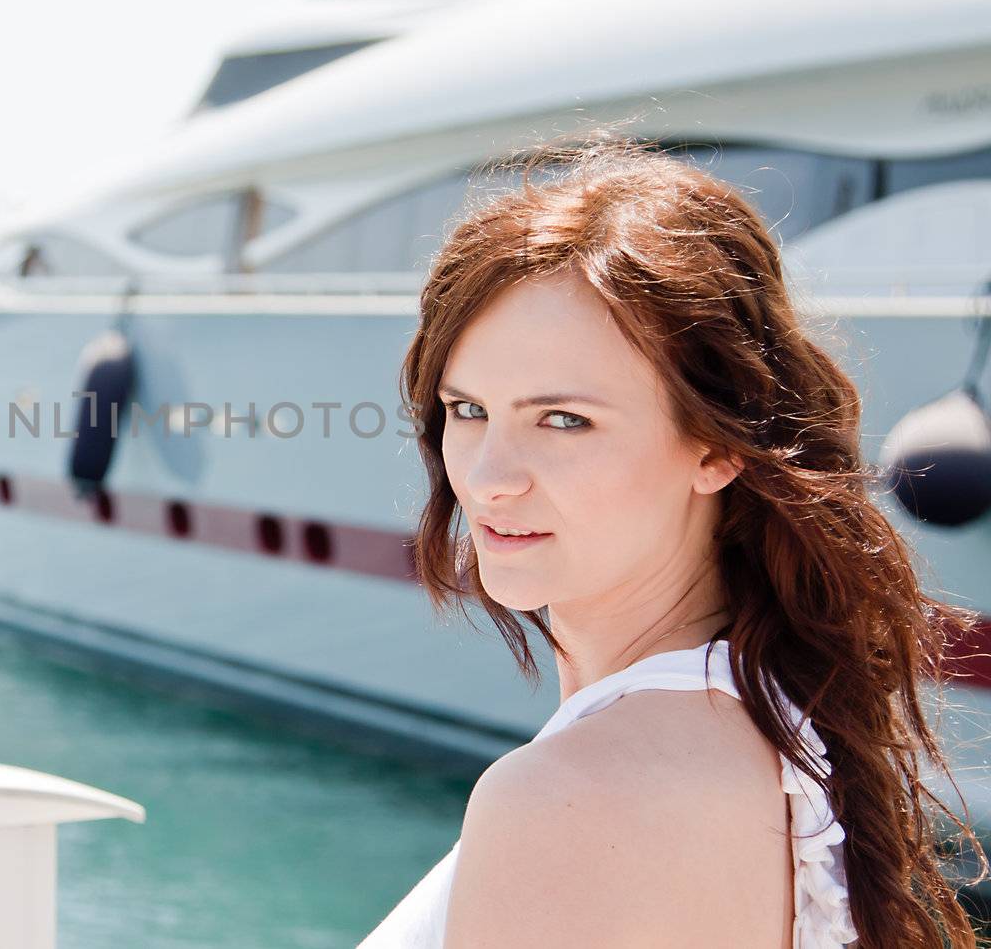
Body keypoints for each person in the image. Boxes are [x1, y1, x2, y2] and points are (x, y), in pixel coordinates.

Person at [362, 136, 988, 947]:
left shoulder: (571, 797)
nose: (487, 477)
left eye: (564, 419)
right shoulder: (777, 736)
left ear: (720, 444)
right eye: (469, 409)